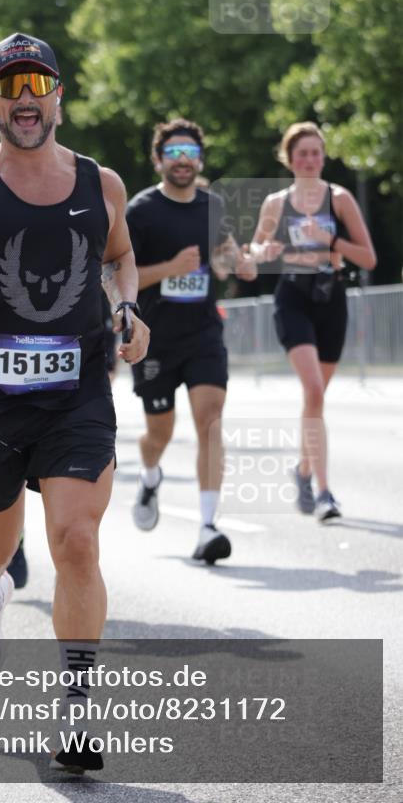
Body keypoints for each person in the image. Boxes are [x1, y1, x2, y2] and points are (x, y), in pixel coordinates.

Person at [0, 32, 149, 773]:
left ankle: (76, 707)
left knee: (76, 540)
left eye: (37, 84)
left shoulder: (101, 184)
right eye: (10, 87)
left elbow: (120, 256)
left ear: (57, 98)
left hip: (77, 395)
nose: (25, 99)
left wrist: (128, 308)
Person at [127, 118, 256, 563]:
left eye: (190, 153)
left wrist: (239, 262)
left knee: (210, 419)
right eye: (173, 153)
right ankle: (149, 476)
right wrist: (170, 269)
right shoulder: (141, 210)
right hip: (154, 340)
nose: (182, 160)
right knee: (158, 433)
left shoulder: (212, 206)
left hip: (203, 333)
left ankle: (207, 527)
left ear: (200, 160)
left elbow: (224, 254)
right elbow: (121, 275)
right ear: (159, 159)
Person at [250, 122, 376, 520]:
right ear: (289, 159)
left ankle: (303, 469)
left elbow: (368, 258)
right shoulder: (276, 203)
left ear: (323, 157)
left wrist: (330, 241)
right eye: (301, 153)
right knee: (315, 390)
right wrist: (263, 251)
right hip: (293, 297)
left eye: (315, 153)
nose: (309, 160)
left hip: (330, 297)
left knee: (315, 400)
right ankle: (324, 493)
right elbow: (254, 251)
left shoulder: (339, 199)